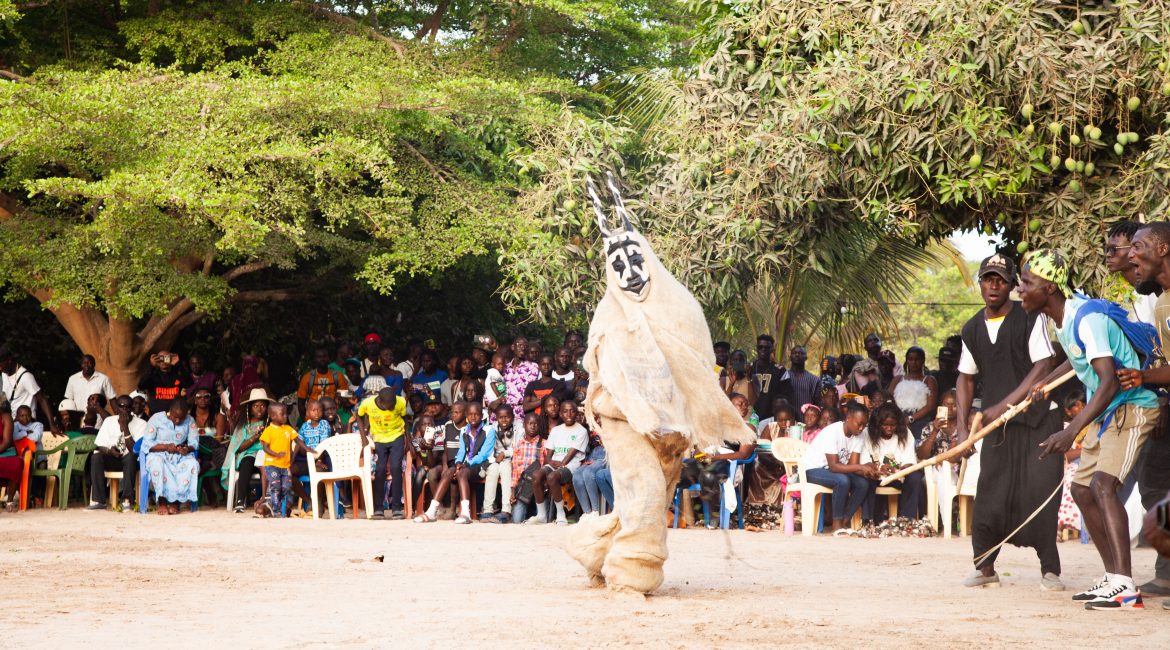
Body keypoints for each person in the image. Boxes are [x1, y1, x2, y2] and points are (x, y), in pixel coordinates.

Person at [1019, 250, 1160, 608]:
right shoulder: (1064, 319)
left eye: (1027, 283)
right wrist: (1046, 382)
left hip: (1131, 407)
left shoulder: (1087, 319)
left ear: (1049, 287)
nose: (1020, 290)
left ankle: (1126, 587)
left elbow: (1109, 381)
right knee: (1082, 490)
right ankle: (1113, 578)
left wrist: (1070, 432)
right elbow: (1076, 355)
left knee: (1103, 486)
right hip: (1108, 412)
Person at [954, 252, 1065, 592]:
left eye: (1001, 279)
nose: (993, 285)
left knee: (1040, 492)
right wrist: (962, 430)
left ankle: (1049, 570)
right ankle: (985, 567)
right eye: (988, 278)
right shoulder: (971, 328)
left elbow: (1043, 366)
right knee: (990, 494)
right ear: (980, 283)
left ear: (1012, 284)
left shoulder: (1029, 317)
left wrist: (1004, 405)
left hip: (1038, 422)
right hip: (996, 428)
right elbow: (965, 379)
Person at [1117, 222, 1170, 608]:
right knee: (1154, 486)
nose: (1131, 254)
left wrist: (1144, 376)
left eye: (1138, 246)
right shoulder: (1164, 301)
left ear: (1163, 248)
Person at [801, 400, 878, 532]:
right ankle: (836, 523)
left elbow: (853, 465)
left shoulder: (858, 435)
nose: (861, 428)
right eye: (859, 424)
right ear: (848, 418)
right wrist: (861, 467)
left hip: (832, 471)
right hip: (813, 469)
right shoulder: (832, 432)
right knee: (842, 481)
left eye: (864, 425)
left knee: (863, 483)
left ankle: (844, 521)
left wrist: (870, 470)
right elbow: (834, 466)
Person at [414, 402, 496, 524]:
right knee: (449, 471)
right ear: (467, 415)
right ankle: (432, 511)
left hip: (482, 465)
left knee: (461, 473)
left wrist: (465, 464)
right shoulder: (464, 430)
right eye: (470, 414)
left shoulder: (489, 430)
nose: (473, 417)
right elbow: (462, 451)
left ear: (481, 415)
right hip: (465, 466)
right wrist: (458, 463)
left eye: (476, 414)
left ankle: (465, 513)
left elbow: (483, 454)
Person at [526, 400, 588, 525]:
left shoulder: (581, 431)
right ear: (560, 414)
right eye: (565, 411)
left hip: (572, 465)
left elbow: (570, 455)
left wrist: (559, 464)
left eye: (572, 411)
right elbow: (548, 455)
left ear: (576, 413)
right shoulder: (556, 430)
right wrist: (550, 462)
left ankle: (561, 515)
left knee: (552, 476)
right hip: (555, 463)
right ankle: (541, 515)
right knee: (536, 476)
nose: (569, 414)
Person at [864, 402, 924, 521]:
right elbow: (864, 462)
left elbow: (909, 463)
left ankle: (906, 519)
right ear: (878, 424)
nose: (889, 428)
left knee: (915, 477)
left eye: (893, 425)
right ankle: (869, 521)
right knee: (864, 480)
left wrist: (896, 470)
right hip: (875, 476)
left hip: (898, 476)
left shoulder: (905, 433)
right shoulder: (867, 433)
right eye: (885, 425)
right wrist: (879, 469)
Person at [87, 395, 147, 511]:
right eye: (121, 406)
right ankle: (99, 501)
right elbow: (100, 445)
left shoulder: (141, 424)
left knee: (130, 457)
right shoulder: (109, 421)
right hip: (113, 458)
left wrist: (125, 427)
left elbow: (135, 449)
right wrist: (109, 451)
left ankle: (127, 500)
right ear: (117, 407)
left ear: (132, 409)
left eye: (128, 407)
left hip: (132, 462)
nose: (124, 409)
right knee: (96, 457)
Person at [258, 403, 318, 518]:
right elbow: (265, 448)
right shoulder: (269, 430)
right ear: (273, 416)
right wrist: (277, 454)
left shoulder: (288, 429)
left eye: (286, 413)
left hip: (284, 466)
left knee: (286, 487)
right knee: (275, 487)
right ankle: (276, 511)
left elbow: (298, 441)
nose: (286, 416)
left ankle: (279, 506)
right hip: (272, 465)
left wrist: (308, 449)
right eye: (282, 414)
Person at [357, 387, 408, 519]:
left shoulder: (400, 402)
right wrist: (363, 437)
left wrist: (409, 440)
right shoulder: (368, 404)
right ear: (380, 401)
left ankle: (396, 508)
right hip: (379, 439)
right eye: (389, 406)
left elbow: (405, 420)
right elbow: (358, 415)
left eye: (393, 405)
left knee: (396, 468)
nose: (392, 408)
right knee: (379, 470)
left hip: (397, 436)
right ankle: (378, 508)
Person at [142, 399, 198, 515]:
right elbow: (147, 444)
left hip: (179, 455)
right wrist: (166, 447)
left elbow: (194, 443)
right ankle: (162, 502)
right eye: (175, 417)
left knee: (192, 463)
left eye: (181, 418)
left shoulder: (190, 420)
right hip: (158, 453)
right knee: (158, 463)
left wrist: (187, 448)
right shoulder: (156, 418)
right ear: (170, 410)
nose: (177, 421)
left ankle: (175, 501)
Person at [224, 388, 272, 513]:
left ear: (267, 408)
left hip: (266, 455)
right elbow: (238, 447)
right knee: (247, 462)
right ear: (250, 408)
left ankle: (267, 499)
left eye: (262, 405)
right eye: (256, 406)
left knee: (266, 463)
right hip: (248, 454)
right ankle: (240, 501)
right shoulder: (244, 426)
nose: (259, 409)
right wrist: (254, 437)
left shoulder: (271, 424)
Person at [1106, 220, 1157, 324]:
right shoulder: (1120, 294)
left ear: (1135, 248)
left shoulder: (1155, 288)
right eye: (1107, 249)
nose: (1108, 254)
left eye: (1114, 249)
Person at [289, 399, 332, 515]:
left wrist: (319, 460)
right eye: (313, 410)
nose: (316, 413)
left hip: (321, 460)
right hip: (306, 461)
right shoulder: (304, 426)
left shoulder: (324, 424)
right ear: (307, 413)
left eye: (319, 410)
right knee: (289, 473)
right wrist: (291, 462)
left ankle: (319, 503)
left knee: (319, 472)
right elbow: (298, 443)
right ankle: (309, 501)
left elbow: (324, 444)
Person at [0, 347, 58, 434]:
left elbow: (42, 399)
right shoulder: (4, 375)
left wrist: (52, 425)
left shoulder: (26, 377)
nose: (0, 369)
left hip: (28, 424)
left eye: (0, 365)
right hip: (14, 423)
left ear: (9, 360)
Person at [887, 346, 939, 441]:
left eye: (917, 359)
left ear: (923, 361)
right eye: (910, 359)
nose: (913, 363)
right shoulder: (898, 379)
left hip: (920, 419)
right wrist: (900, 418)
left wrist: (910, 418)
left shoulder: (929, 380)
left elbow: (931, 405)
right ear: (906, 361)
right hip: (898, 418)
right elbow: (889, 400)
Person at [482, 404, 521, 520]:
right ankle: (488, 509)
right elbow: (488, 448)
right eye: (500, 417)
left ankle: (506, 510)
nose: (503, 420)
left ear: (513, 417)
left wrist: (504, 454)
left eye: (507, 417)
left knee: (506, 467)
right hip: (496, 460)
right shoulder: (492, 429)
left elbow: (519, 448)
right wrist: (495, 458)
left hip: (512, 459)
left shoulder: (520, 428)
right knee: (492, 469)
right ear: (496, 418)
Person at [508, 412, 545, 523]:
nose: (533, 426)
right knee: (516, 521)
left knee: (543, 521)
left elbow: (547, 466)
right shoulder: (518, 445)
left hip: (540, 488)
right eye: (530, 423)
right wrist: (513, 490)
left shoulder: (543, 443)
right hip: (523, 487)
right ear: (524, 425)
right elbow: (515, 470)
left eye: (536, 424)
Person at [297, 348, 349, 415]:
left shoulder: (338, 376)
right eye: (319, 357)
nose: (322, 359)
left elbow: (346, 396)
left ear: (328, 358)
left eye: (324, 356)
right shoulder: (307, 377)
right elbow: (301, 402)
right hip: (314, 416)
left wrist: (351, 395)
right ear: (314, 359)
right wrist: (306, 419)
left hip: (333, 414)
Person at [751, 335, 792, 417]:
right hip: (750, 415)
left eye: (767, 347)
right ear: (756, 348)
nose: (763, 349)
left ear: (772, 349)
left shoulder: (780, 370)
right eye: (760, 347)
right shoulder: (749, 368)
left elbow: (785, 396)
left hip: (771, 416)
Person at [573, 430, 608, 518]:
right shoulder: (588, 425)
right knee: (577, 476)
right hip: (590, 456)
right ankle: (587, 513)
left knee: (588, 473)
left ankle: (595, 511)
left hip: (604, 455)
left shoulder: (608, 424)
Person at [503, 336, 539, 418]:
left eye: (525, 346)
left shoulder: (532, 367)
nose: (523, 348)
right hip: (504, 413)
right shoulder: (505, 368)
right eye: (520, 345)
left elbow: (528, 392)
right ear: (513, 347)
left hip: (522, 413)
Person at [0, 402, 21, 511]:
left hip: (5, 452)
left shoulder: (5, 417)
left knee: (16, 463)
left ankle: (10, 501)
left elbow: (7, 441)